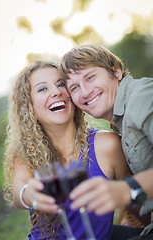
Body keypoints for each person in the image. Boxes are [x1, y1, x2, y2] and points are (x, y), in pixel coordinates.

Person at [3, 60, 132, 240]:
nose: (56, 92)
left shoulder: (107, 145)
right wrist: (29, 193)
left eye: (61, 84)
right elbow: (20, 189)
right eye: (42, 89)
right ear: (29, 106)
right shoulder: (26, 153)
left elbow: (135, 198)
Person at [60, 44, 153, 240]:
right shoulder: (119, 123)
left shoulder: (142, 96)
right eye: (74, 88)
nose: (85, 92)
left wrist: (126, 189)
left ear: (116, 71)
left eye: (90, 77)